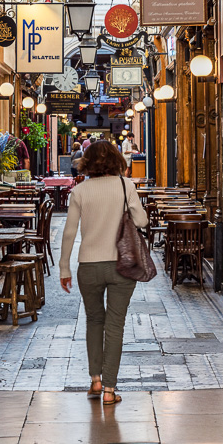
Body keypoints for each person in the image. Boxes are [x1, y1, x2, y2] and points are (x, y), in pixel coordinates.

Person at [59, 140, 148, 406]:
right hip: (121, 265)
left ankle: (95, 380)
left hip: (89, 266)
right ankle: (110, 390)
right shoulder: (126, 186)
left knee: (94, 321)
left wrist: (64, 267)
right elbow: (142, 221)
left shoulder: (80, 191)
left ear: (86, 162)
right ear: (116, 160)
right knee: (115, 324)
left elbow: (69, 232)